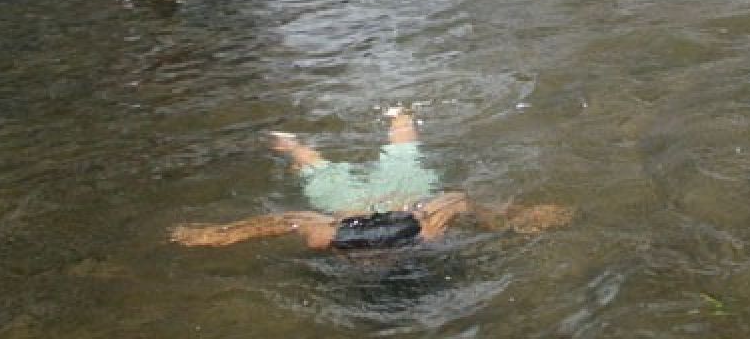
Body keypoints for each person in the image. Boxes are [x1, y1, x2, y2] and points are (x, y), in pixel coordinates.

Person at [169, 109, 572, 251]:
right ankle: (292, 146)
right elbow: (285, 220)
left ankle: (400, 115)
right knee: (316, 166)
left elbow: (459, 201)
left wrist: (513, 218)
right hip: (371, 203)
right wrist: (222, 234)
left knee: (401, 152)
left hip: (396, 200)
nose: (373, 262)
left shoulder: (423, 225)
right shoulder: (331, 236)